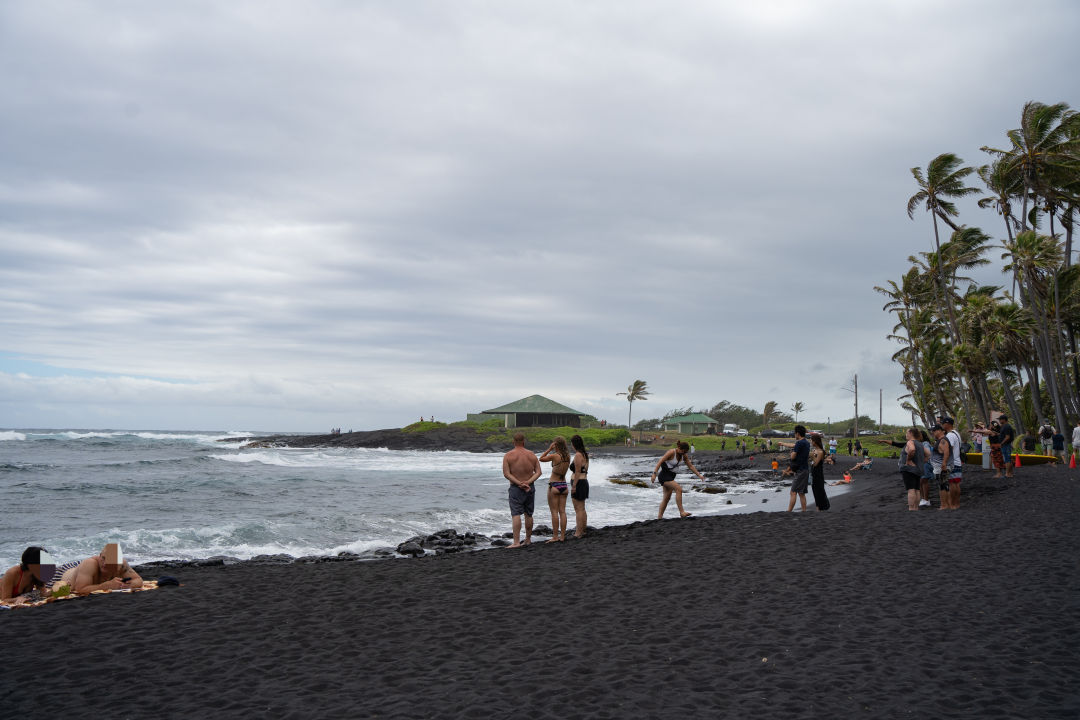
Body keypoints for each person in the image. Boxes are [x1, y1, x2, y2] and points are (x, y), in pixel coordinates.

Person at [502, 433, 541, 547]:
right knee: (528, 514)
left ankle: (516, 542)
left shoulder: (508, 455)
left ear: (514, 442)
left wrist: (519, 483)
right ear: (524, 442)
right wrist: (528, 482)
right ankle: (528, 539)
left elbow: (506, 474)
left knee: (516, 514)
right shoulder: (531, 455)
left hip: (516, 488)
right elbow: (538, 472)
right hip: (530, 487)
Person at [56, 543, 143, 594]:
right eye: (103, 558)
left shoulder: (121, 564)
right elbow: (80, 589)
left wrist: (127, 585)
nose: (104, 563)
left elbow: (138, 580)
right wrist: (105, 586)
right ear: (100, 555)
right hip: (63, 573)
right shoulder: (90, 564)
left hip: (82, 571)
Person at [650, 441, 705, 518]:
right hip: (664, 476)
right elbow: (660, 462)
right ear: (679, 448)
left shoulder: (684, 455)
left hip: (671, 476)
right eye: (683, 451)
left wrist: (699, 475)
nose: (683, 453)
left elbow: (690, 466)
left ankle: (659, 517)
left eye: (685, 452)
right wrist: (654, 474)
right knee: (678, 489)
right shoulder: (671, 452)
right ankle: (682, 512)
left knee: (666, 498)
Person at [538, 437, 571, 543]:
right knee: (562, 511)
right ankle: (562, 536)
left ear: (556, 445)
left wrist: (549, 449)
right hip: (564, 485)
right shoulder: (568, 456)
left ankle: (555, 536)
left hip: (554, 485)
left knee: (554, 512)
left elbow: (541, 458)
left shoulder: (555, 456)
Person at [778, 426, 811, 512]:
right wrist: (783, 444)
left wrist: (791, 453)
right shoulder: (806, 443)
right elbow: (793, 445)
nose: (794, 435)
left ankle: (789, 511)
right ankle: (804, 511)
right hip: (805, 470)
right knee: (801, 493)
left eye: (795, 433)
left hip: (800, 471)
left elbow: (793, 457)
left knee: (793, 492)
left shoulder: (799, 443)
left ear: (798, 433)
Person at [898, 427, 926, 511]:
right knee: (917, 489)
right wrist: (922, 461)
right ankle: (915, 508)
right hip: (918, 469)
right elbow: (928, 453)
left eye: (907, 433)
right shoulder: (920, 444)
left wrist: (908, 460)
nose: (906, 434)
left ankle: (911, 508)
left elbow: (912, 449)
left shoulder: (910, 442)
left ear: (911, 433)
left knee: (911, 489)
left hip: (909, 469)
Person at [938, 417, 963, 510]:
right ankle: (957, 503)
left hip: (952, 463)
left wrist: (944, 461)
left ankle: (952, 504)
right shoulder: (956, 433)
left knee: (952, 484)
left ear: (947, 424)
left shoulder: (950, 435)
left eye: (943, 423)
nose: (942, 425)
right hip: (957, 461)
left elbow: (949, 449)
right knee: (956, 484)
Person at [569, 435, 590, 538]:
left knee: (578, 509)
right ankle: (583, 529)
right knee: (582, 508)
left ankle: (578, 532)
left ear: (574, 444)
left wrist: (574, 486)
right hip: (584, 481)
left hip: (579, 482)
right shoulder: (585, 454)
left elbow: (577, 472)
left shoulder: (578, 455)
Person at [809, 433, 830, 511]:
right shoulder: (814, 450)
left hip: (818, 473)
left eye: (811, 440)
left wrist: (812, 456)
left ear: (815, 441)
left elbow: (816, 463)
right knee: (814, 490)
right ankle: (818, 507)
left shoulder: (820, 452)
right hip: (813, 473)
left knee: (819, 490)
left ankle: (822, 507)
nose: (811, 442)